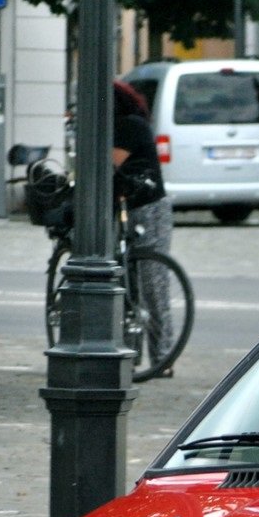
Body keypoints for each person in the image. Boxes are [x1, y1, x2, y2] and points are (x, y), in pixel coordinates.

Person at [110, 79, 175, 374]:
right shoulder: (127, 124)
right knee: (131, 283)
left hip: (149, 208)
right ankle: (134, 354)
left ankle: (162, 357)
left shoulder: (130, 126)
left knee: (153, 283)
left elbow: (112, 163)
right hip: (130, 207)